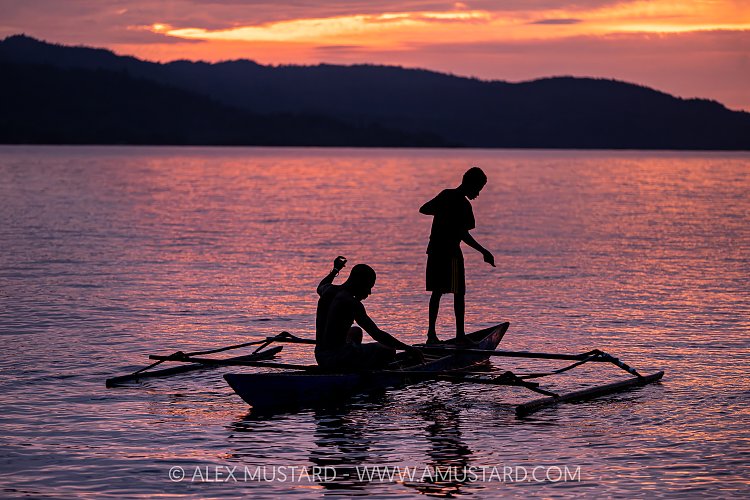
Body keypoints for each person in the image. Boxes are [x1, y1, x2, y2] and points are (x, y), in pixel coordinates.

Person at [420, 167, 495, 344]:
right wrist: (484, 251)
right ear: (470, 184)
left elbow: (425, 209)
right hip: (450, 253)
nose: (478, 194)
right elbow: (463, 234)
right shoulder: (462, 205)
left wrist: (441, 211)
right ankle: (459, 336)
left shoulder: (446, 195)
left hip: (435, 250)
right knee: (458, 292)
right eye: (478, 189)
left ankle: (431, 335)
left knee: (437, 292)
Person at [315, 256, 422, 372]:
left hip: (320, 355)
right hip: (336, 359)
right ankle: (367, 372)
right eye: (368, 287)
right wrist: (409, 349)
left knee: (355, 331)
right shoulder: (351, 303)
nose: (369, 293)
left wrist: (336, 269)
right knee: (387, 350)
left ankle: (357, 361)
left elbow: (321, 285)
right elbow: (377, 334)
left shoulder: (327, 290)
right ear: (358, 283)